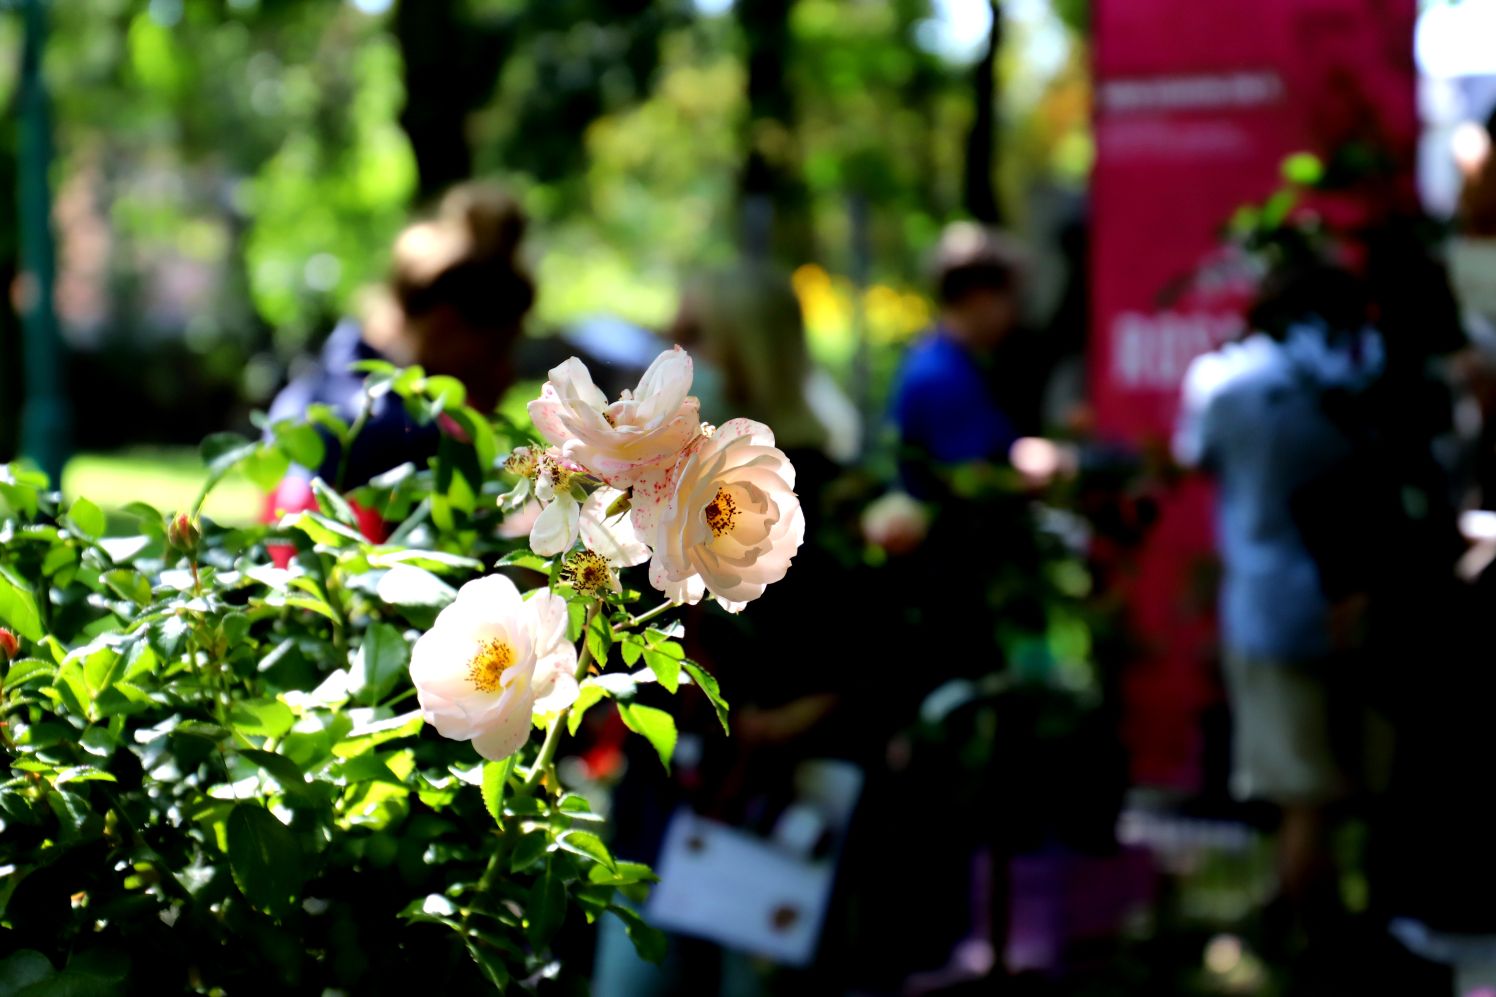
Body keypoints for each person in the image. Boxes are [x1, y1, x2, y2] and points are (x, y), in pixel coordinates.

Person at [592, 264, 866, 997]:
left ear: (751, 352)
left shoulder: (828, 491)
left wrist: (790, 719)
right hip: (664, 793)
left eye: (694, 334)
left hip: (772, 805)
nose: (672, 353)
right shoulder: (646, 485)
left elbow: (861, 655)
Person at [1173, 262, 1384, 959]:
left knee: (1304, 802)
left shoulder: (1225, 383)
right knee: (1354, 799)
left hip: (1269, 608)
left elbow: (1194, 457)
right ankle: (1347, 946)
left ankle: (1321, 956)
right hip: (1365, 609)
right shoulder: (1365, 377)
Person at [266, 182, 534, 499]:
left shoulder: (314, 389)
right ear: (445, 325)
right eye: (497, 349)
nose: (508, 374)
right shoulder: (418, 438)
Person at [891, 222, 1043, 498]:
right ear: (979, 298)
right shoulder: (941, 377)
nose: (1014, 313)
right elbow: (975, 480)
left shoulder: (948, 360)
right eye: (1008, 298)